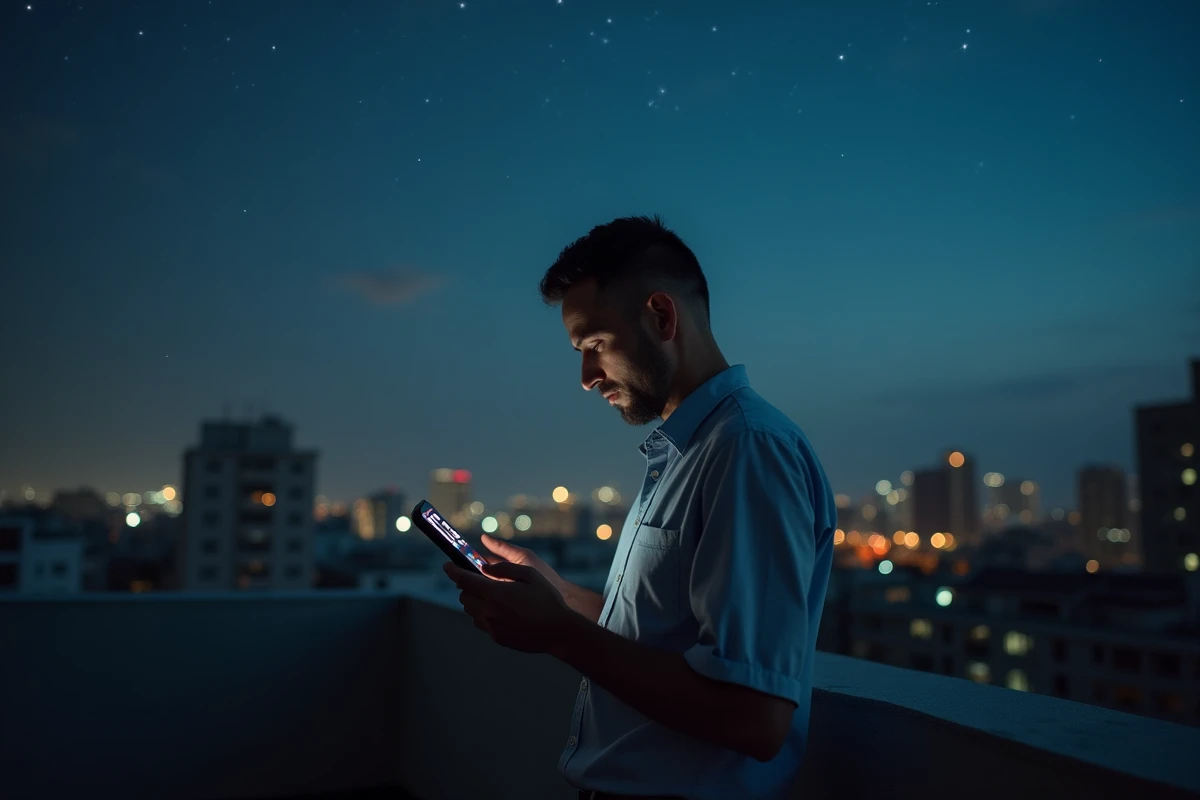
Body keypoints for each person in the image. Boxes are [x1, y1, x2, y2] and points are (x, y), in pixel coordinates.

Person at [443, 214, 836, 800]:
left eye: (595, 345)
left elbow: (754, 718)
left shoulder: (747, 449)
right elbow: (663, 634)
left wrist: (555, 633)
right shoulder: (688, 451)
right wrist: (557, 596)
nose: (584, 377)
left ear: (661, 316)